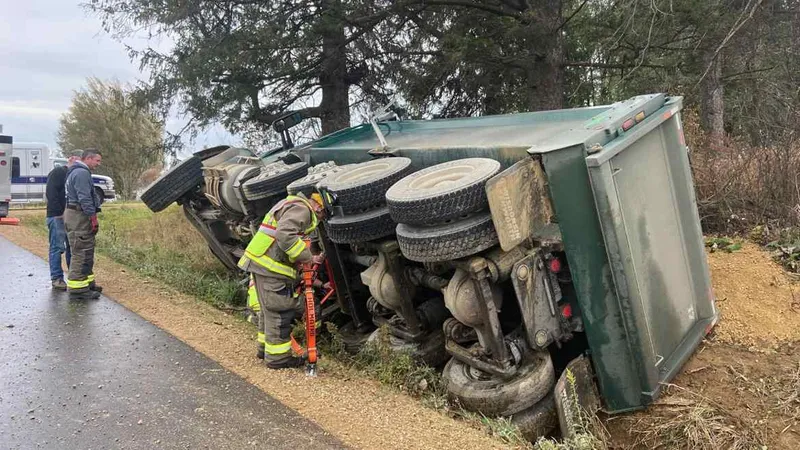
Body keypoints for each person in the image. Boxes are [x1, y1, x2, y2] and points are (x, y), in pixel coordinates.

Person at [237, 192, 326, 369]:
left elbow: (285, 243)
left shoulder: (291, 204)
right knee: (280, 310)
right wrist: (306, 257)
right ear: (318, 207)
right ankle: (278, 358)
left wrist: (309, 259)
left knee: (268, 310)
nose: (322, 218)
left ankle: (265, 350)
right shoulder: (302, 209)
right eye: (323, 214)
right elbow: (285, 236)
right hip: (269, 267)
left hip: (263, 264)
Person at [64, 148, 103, 300]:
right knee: (81, 250)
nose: (98, 164)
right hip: (79, 216)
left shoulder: (76, 171)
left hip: (76, 214)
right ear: (88, 158)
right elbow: (84, 197)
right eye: (97, 160)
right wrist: (92, 217)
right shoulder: (81, 173)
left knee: (86, 249)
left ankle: (87, 282)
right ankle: (78, 289)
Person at [45, 151, 82, 290]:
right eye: (78, 160)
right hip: (57, 217)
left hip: (71, 217)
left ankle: (74, 278)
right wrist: (59, 213)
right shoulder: (58, 173)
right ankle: (57, 278)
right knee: (57, 247)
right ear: (71, 158)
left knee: (72, 248)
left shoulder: (76, 175)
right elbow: (51, 194)